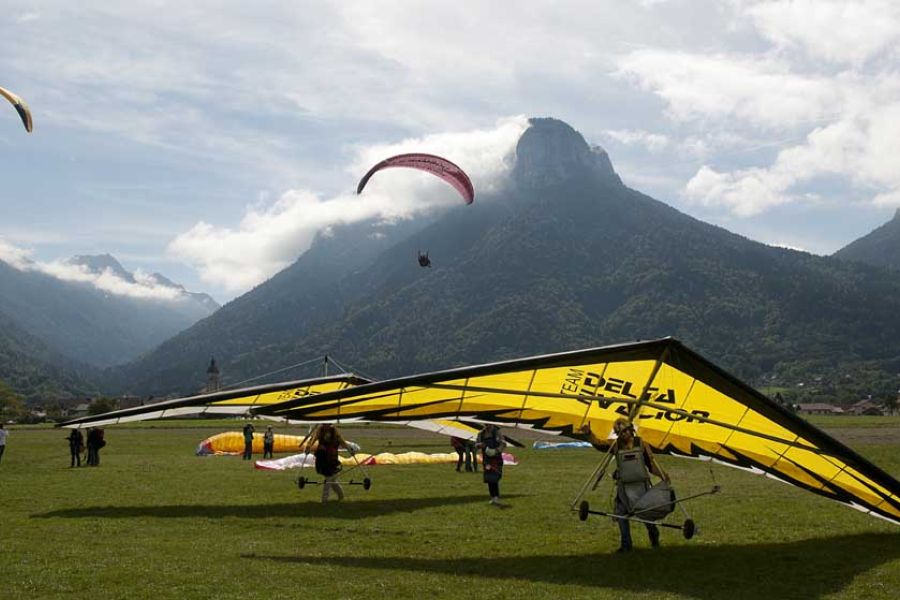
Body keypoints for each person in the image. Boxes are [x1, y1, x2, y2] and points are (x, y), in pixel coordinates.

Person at [609, 417, 669, 552]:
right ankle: (626, 546)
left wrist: (663, 475)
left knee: (645, 513)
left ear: (631, 430)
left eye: (625, 432)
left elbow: (651, 465)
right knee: (621, 515)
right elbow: (599, 444)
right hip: (624, 487)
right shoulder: (616, 445)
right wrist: (589, 434)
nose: (623, 435)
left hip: (640, 485)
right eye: (620, 433)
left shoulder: (641, 444)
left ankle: (654, 538)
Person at [311, 424, 354, 503]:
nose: (326, 426)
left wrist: (350, 450)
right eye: (324, 424)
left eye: (328, 424)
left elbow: (342, 442)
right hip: (322, 459)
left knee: (328, 479)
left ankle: (324, 500)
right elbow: (313, 439)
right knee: (332, 480)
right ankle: (341, 496)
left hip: (331, 459)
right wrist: (308, 447)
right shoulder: (320, 430)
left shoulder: (334, 432)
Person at [476, 423, 507, 505]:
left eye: (489, 425)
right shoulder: (480, 434)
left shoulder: (497, 433)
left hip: (496, 458)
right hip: (487, 459)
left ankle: (495, 496)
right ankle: (494, 497)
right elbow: (476, 444)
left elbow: (503, 444)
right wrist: (479, 445)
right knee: (489, 478)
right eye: (486, 425)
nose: (487, 426)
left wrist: (496, 450)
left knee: (496, 477)